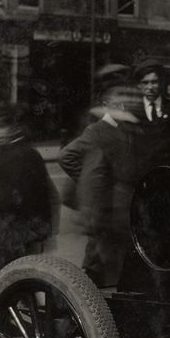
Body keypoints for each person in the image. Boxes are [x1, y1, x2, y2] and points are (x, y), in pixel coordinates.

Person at [59, 81, 145, 288]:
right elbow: (66, 156)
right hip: (106, 212)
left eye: (125, 104)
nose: (123, 108)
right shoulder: (97, 130)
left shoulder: (128, 128)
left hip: (121, 211)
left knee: (106, 264)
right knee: (102, 267)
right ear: (105, 104)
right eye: (117, 104)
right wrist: (93, 182)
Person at [0, 103, 55, 287]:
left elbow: (9, 199)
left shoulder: (16, 156)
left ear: (13, 128)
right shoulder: (25, 151)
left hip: (15, 233)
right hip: (29, 231)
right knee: (22, 284)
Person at [132, 58, 170, 177]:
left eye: (154, 82)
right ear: (139, 85)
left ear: (161, 82)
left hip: (166, 172)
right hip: (139, 174)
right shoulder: (132, 111)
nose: (150, 87)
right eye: (145, 82)